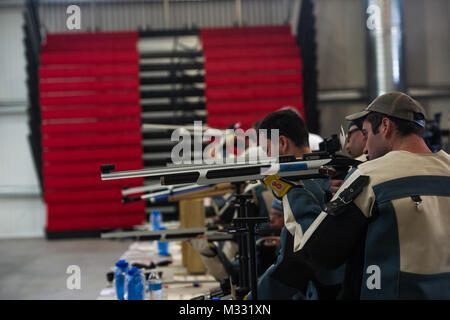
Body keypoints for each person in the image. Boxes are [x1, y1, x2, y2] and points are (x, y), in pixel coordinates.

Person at [270, 92, 450, 299]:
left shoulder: (372, 175)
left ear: (385, 126)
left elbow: (318, 252)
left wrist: (294, 192)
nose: (365, 148)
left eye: (366, 134)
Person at [249, 109, 345, 300]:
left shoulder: (298, 186)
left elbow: (298, 262)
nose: (268, 157)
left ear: (283, 143)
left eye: (268, 149)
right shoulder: (325, 175)